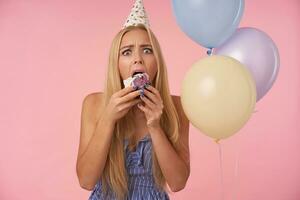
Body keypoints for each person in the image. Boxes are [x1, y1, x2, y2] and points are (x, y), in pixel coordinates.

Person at [76, 1, 190, 199]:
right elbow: (86, 180)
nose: (137, 59)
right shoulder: (93, 104)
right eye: (126, 52)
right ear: (117, 64)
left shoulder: (177, 107)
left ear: (157, 62)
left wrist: (155, 126)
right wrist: (108, 119)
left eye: (147, 50)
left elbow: (178, 183)